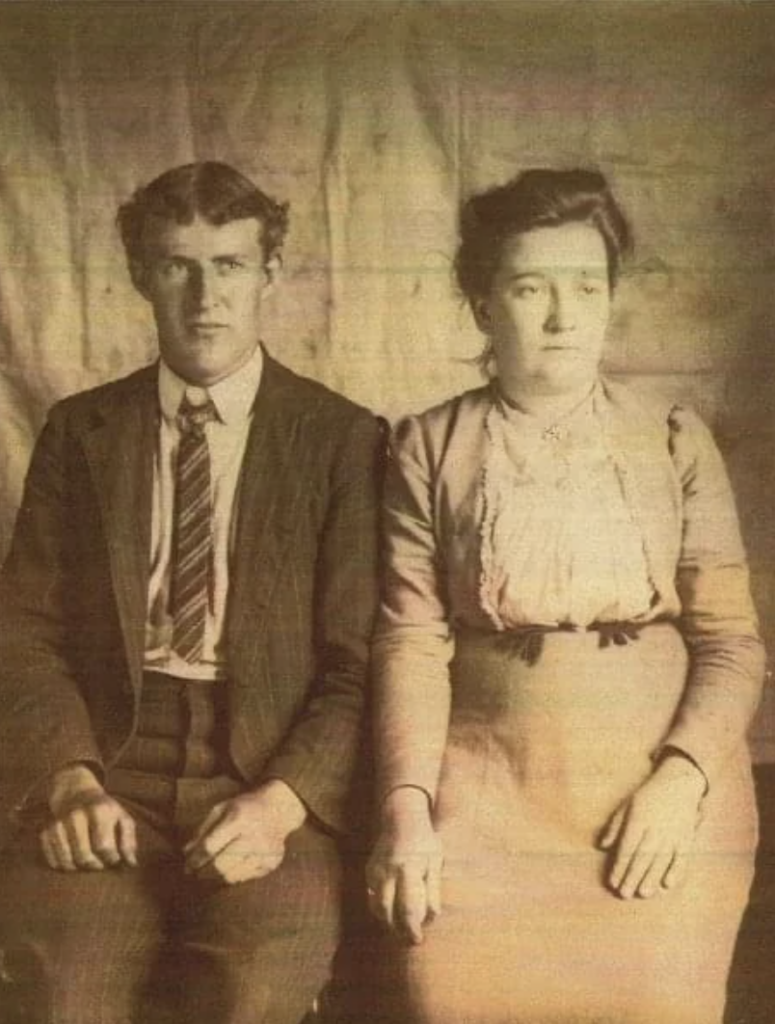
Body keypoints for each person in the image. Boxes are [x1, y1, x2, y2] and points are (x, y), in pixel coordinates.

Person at [366, 168, 765, 1024]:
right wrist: (407, 809)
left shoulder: (671, 437)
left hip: (657, 798)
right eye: (528, 287)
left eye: (586, 286)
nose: (562, 315)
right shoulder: (425, 447)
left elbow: (732, 643)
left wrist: (681, 780)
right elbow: (408, 642)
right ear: (481, 304)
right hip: (484, 795)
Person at [0, 161, 382, 1024]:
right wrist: (69, 780)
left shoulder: (341, 440)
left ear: (269, 274)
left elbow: (356, 666)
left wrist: (281, 806)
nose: (205, 296)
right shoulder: (80, 430)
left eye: (230, 265)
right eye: (177, 265)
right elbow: (21, 632)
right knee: (63, 996)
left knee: (248, 998)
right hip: (109, 767)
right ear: (142, 275)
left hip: (264, 772)